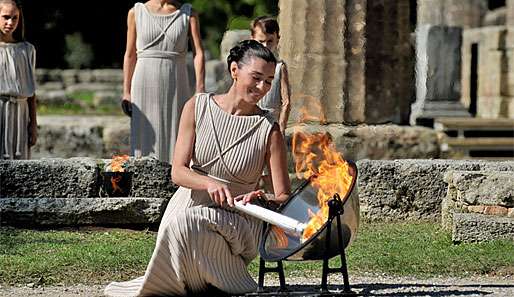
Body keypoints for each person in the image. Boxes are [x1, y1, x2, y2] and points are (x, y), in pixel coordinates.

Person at [104, 40, 291, 297]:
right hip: (187, 205)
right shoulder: (197, 106)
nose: (262, 87)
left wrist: (261, 198)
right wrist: (209, 183)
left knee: (187, 226)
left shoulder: (269, 130)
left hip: (236, 222)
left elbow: (283, 197)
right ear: (234, 70)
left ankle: (217, 278)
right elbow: (178, 172)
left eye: (269, 81)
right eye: (256, 77)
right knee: (183, 223)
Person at [122, 0, 205, 164]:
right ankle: (143, 179)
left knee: (177, 131)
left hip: (176, 80)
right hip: (144, 80)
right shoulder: (136, 12)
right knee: (143, 135)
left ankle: (176, 180)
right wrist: (126, 91)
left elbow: (199, 53)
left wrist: (200, 88)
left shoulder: (188, 14)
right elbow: (130, 54)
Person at [0, 0, 37, 160]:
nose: (10, 22)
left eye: (15, 18)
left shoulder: (27, 49)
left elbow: (32, 90)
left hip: (21, 114)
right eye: (6, 17)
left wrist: (33, 124)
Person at [250, 16, 290, 135]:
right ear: (252, 39)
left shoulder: (279, 67)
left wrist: (281, 127)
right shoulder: (247, 67)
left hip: (272, 124)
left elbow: (286, 101)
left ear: (277, 39)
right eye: (261, 41)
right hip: (249, 121)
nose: (266, 46)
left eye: (270, 41)